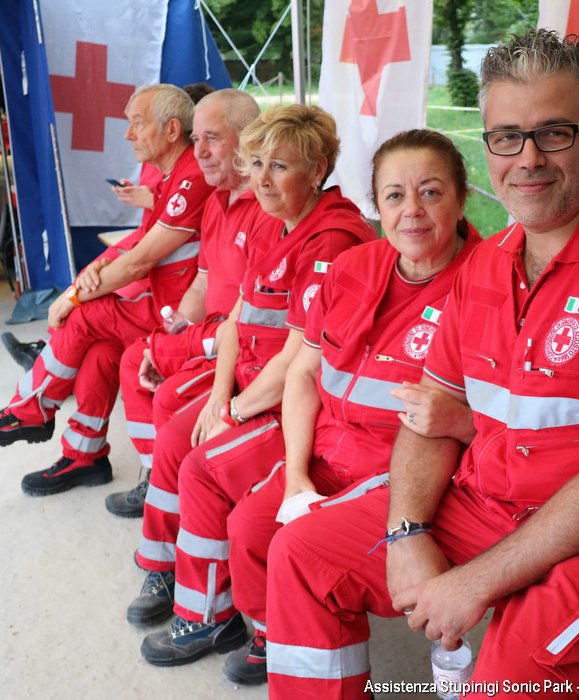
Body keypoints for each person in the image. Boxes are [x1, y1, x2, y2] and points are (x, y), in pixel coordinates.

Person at [264, 28, 579, 699]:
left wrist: (473, 582)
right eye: (507, 136)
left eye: (555, 132)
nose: (529, 158)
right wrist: (406, 531)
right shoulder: (486, 262)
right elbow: (428, 417)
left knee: (512, 678)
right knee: (302, 554)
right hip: (495, 500)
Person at [191, 129, 480, 686]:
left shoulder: (488, 281)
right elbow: (304, 373)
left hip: (405, 479)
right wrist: (297, 476)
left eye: (432, 192)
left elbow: (516, 416)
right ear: (378, 206)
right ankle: (281, 636)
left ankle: (322, 670)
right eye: (395, 196)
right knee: (252, 525)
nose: (412, 211)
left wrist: (463, 422)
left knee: (300, 552)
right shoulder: (358, 267)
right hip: (329, 456)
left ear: (463, 198)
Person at [130, 104, 375, 667]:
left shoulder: (330, 241)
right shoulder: (276, 222)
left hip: (300, 406)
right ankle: (183, 587)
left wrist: (234, 412)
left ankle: (228, 619)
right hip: (254, 388)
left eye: (279, 166)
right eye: (257, 162)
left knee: (202, 466)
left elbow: (298, 362)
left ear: (317, 171)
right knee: (178, 433)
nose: (261, 178)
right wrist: (220, 396)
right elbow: (239, 319)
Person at [0, 84, 215, 497]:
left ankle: (30, 410)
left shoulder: (189, 178)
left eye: (136, 123)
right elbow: (138, 245)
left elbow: (140, 260)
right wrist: (91, 272)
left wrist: (73, 296)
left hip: (179, 317)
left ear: (171, 130)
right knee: (100, 353)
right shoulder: (175, 175)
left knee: (82, 316)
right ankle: (85, 456)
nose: (128, 134)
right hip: (164, 305)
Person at [105, 88, 267, 518]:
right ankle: (152, 475)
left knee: (146, 364)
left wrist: (182, 346)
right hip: (211, 332)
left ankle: (162, 486)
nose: (200, 152)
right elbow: (203, 281)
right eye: (196, 140)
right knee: (135, 355)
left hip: (239, 343)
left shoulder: (267, 205)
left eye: (212, 138)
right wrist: (178, 324)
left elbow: (249, 316)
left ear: (247, 137)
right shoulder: (217, 200)